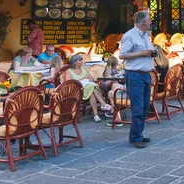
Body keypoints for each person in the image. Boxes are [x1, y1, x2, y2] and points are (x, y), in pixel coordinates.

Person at [119, 10, 156, 148]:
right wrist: (142, 53)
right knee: (138, 107)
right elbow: (122, 55)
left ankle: (136, 134)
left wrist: (152, 53)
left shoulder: (145, 35)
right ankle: (136, 137)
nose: (151, 22)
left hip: (145, 73)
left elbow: (148, 50)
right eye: (149, 19)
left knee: (146, 106)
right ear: (143, 22)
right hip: (134, 74)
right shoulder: (129, 36)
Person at [65, 53, 111, 122]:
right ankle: (103, 104)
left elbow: (91, 78)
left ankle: (96, 115)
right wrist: (81, 80)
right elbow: (69, 84)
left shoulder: (83, 67)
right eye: (80, 60)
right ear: (75, 62)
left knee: (92, 92)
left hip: (88, 87)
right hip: (78, 90)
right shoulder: (69, 71)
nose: (82, 62)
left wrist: (88, 78)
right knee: (92, 86)